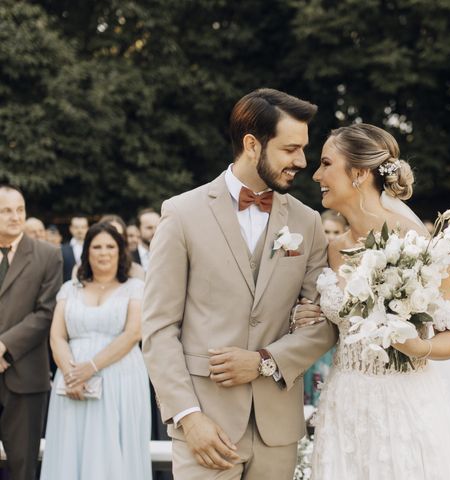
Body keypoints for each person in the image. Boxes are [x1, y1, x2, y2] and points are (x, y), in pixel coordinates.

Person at [299, 124, 450, 479]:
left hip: (404, 405)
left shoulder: (412, 240)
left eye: (326, 163)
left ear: (358, 173)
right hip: (345, 404)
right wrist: (311, 316)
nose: (316, 174)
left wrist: (418, 346)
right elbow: (345, 326)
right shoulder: (333, 249)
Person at [142, 88, 337, 480]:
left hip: (276, 431)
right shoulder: (181, 214)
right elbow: (159, 329)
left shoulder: (307, 222)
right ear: (252, 144)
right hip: (205, 428)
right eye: (290, 149)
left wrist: (265, 362)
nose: (302, 161)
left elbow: (324, 322)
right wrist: (188, 417)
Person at [41, 223, 151, 480]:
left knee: (113, 448)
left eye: (110, 246)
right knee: (70, 446)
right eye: (97, 246)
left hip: (120, 378)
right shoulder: (70, 289)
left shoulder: (136, 288)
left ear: (121, 251)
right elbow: (57, 336)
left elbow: (134, 333)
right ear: (87, 252)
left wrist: (90, 367)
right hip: (71, 381)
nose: (104, 253)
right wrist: (71, 373)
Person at [0, 185, 62, 480]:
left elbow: (46, 312)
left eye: (20, 209)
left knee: (22, 468)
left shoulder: (48, 255)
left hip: (25, 378)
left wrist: (4, 347)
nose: (15, 217)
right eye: (6, 210)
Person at [303, 210, 346, 406]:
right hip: (310, 331)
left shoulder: (347, 264)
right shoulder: (309, 259)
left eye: (336, 232)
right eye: (326, 231)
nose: (331, 236)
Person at [62, 215, 89, 282]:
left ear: (88, 228)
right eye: (76, 227)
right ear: (71, 229)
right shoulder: (62, 249)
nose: (80, 230)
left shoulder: (94, 248)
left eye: (83, 227)